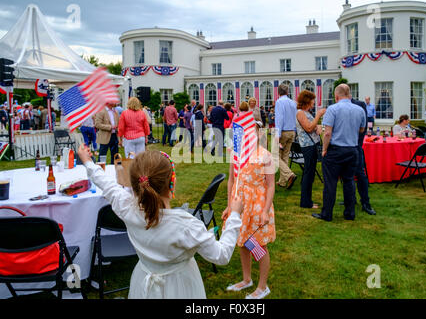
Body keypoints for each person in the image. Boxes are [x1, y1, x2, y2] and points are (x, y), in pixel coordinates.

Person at [77, 145, 244, 298]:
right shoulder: (185, 225)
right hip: (181, 286)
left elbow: (105, 184)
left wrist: (87, 161)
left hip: (144, 280)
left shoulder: (126, 209)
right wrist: (235, 216)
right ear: (172, 183)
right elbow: (221, 255)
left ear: (135, 186)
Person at [222, 121, 275, 299]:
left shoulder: (265, 156)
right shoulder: (236, 155)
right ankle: (247, 279)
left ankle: (262, 286)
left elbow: (271, 184)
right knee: (243, 241)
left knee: (257, 244)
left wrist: (265, 211)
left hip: (257, 206)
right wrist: (230, 205)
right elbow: (231, 180)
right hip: (240, 204)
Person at [312, 84, 366, 222]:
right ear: (349, 95)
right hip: (352, 149)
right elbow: (361, 130)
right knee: (349, 181)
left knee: (330, 183)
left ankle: (327, 214)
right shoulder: (360, 110)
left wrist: (324, 149)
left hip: (335, 150)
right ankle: (349, 213)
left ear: (336, 96)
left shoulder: (333, 109)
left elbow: (327, 133)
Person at [296, 90, 326, 209]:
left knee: (310, 174)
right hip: (308, 146)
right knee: (308, 174)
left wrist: (318, 126)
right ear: (307, 101)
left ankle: (307, 200)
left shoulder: (306, 112)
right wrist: (318, 115)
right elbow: (308, 128)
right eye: (312, 100)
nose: (314, 102)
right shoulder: (300, 113)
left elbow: (312, 125)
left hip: (312, 145)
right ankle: (305, 202)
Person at [351, 96, 376, 215]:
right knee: (347, 174)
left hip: (356, 146)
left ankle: (365, 203)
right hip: (344, 147)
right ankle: (351, 199)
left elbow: (363, 127)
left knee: (360, 175)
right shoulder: (338, 106)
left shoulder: (359, 104)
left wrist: (358, 143)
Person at [274, 83, 298, 189]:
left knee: (275, 156)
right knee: (285, 156)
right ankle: (283, 181)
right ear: (287, 92)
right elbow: (295, 118)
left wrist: (277, 135)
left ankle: (289, 175)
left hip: (283, 132)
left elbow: (279, 118)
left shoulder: (279, 102)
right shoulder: (293, 103)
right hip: (292, 131)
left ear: (278, 92)